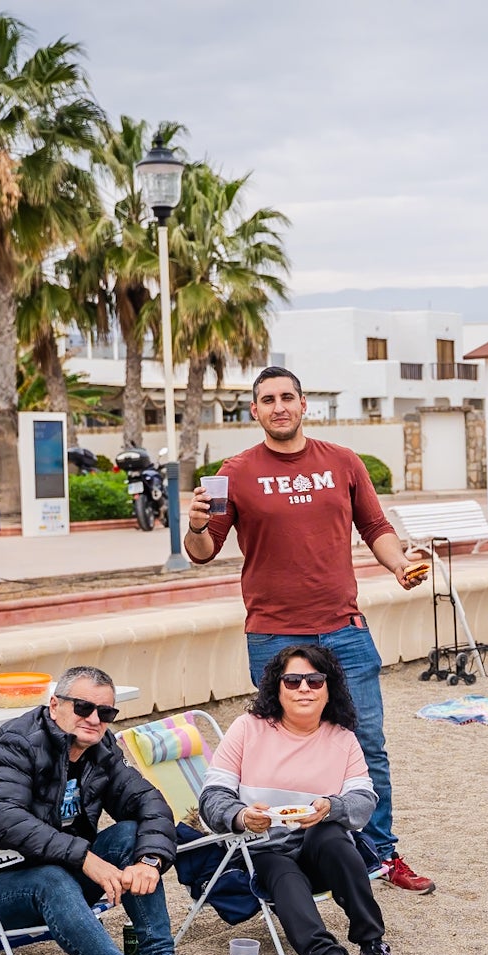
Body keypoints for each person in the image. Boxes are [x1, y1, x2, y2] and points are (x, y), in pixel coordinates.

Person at [183, 365, 435, 893]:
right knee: (279, 746)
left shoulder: (342, 461)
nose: (278, 406)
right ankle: (291, 853)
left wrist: (398, 564)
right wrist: (198, 525)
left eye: (287, 397)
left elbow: (375, 527)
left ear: (303, 405)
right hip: (273, 635)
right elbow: (203, 554)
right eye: (267, 399)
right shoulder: (235, 471)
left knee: (367, 744)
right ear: (254, 411)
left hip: (343, 628)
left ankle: (381, 854)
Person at [0, 665, 229, 955]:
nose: (94, 719)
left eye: (105, 713)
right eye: (83, 708)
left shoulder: (101, 747)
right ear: (55, 704)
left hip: (54, 873)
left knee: (128, 835)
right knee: (50, 878)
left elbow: (149, 804)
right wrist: (85, 857)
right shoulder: (15, 743)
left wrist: (150, 861)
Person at [199, 645, 396, 955]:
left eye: (314, 679)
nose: (303, 687)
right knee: (282, 873)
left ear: (328, 687)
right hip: (264, 849)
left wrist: (331, 807)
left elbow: (364, 801)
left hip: (319, 849)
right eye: (292, 680)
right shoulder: (248, 728)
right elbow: (212, 797)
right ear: (277, 688)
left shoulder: (342, 737)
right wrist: (241, 816)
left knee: (333, 836)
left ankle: (372, 944)